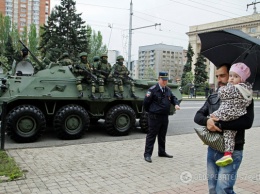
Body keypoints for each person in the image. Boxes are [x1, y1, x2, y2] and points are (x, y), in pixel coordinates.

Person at [194, 63, 254, 194]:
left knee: (223, 189)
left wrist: (220, 125)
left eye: (223, 75)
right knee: (212, 189)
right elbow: (198, 116)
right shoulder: (213, 96)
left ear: (233, 76)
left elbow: (247, 122)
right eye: (217, 76)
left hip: (233, 150)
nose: (219, 79)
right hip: (213, 148)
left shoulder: (245, 97)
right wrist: (207, 121)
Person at [210, 62, 252, 167]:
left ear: (242, 79)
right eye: (231, 76)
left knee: (214, 116)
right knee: (229, 134)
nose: (232, 79)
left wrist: (219, 123)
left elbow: (223, 93)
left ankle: (211, 135)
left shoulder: (237, 88)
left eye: (236, 76)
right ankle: (227, 154)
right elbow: (198, 116)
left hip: (229, 112)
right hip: (236, 114)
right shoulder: (246, 90)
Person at [143, 71, 180, 163]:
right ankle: (147, 154)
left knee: (162, 135)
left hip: (164, 117)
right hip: (154, 116)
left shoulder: (167, 90)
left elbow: (173, 98)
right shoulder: (153, 89)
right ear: (159, 79)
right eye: (163, 80)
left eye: (166, 80)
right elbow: (146, 103)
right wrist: (152, 111)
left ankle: (162, 152)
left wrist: (176, 104)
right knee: (151, 135)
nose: (165, 82)